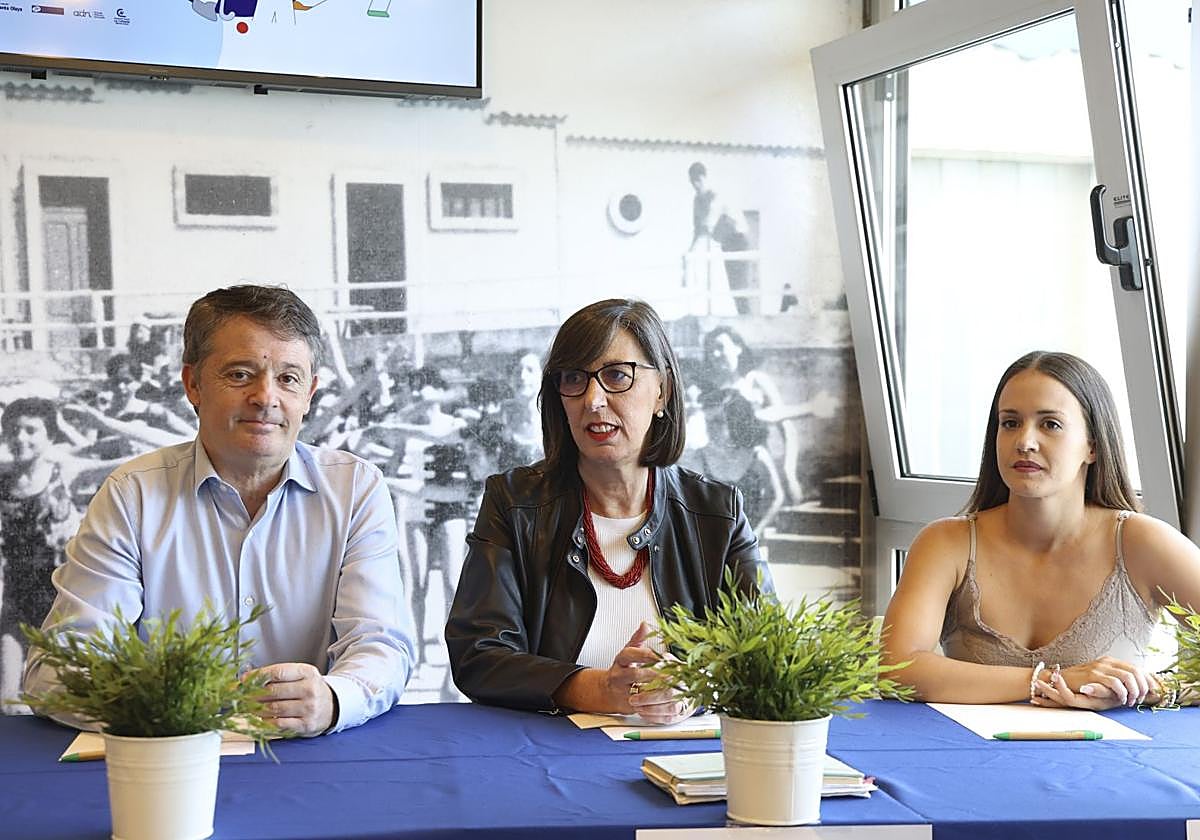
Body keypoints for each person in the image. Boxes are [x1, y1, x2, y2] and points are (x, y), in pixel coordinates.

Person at [25, 285, 417, 735]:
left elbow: (380, 645)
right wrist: (180, 706)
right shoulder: (131, 494)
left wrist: (333, 697)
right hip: (165, 758)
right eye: (240, 374)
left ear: (309, 393)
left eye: (288, 378)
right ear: (193, 384)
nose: (265, 397)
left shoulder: (355, 489)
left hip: (307, 758)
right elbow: (56, 669)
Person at [445, 298, 772, 722]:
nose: (593, 399)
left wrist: (694, 687)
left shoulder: (716, 513)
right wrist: (601, 689)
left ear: (662, 392)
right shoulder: (514, 503)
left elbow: (765, 651)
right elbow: (478, 655)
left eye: (617, 375)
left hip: (685, 756)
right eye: (574, 379)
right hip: (550, 758)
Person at [882, 351, 1200, 709]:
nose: (1025, 441)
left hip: (1106, 762)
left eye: (1050, 424)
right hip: (967, 760)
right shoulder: (946, 543)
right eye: (1010, 423)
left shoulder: (1142, 543)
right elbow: (895, 668)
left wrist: (1154, 689)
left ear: (1092, 446)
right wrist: (1050, 680)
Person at [688, 161, 751, 315]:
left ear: (704, 178)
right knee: (728, 283)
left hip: (738, 240)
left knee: (739, 285)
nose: (696, 186)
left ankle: (746, 317)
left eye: (699, 181)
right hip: (724, 242)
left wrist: (701, 242)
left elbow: (709, 223)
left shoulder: (716, 195)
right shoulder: (698, 199)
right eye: (693, 183)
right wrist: (690, 250)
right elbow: (698, 228)